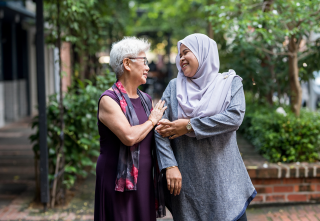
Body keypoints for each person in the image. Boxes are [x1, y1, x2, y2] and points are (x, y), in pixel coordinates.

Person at [155, 33, 256, 221]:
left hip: (224, 179)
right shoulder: (174, 87)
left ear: (203, 53)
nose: (181, 58)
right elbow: (160, 128)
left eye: (186, 52)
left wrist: (190, 126)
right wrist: (169, 165)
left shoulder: (229, 83)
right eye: (180, 54)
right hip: (188, 181)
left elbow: (234, 118)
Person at [94, 37, 167, 221]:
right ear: (127, 63)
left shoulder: (146, 99)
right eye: (144, 61)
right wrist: (152, 120)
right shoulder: (109, 100)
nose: (148, 67)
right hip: (117, 182)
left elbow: (153, 136)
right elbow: (128, 136)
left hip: (143, 182)